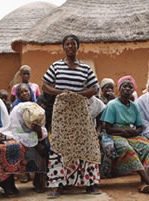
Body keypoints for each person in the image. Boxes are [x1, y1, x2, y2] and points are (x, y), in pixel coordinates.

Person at [42, 34, 102, 198]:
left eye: (73, 44)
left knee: (85, 144)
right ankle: (58, 186)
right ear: (63, 47)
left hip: (80, 111)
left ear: (78, 47)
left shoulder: (85, 68)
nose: (70, 47)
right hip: (61, 111)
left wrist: (78, 94)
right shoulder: (56, 66)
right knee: (60, 146)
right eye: (67, 44)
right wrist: (62, 93)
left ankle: (90, 184)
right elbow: (45, 85)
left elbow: (94, 88)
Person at [101, 76, 149, 195]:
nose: (128, 89)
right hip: (116, 135)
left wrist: (135, 132)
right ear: (119, 89)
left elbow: (139, 126)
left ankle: (144, 183)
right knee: (127, 149)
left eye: (130, 87)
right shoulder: (112, 105)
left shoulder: (134, 106)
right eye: (125, 86)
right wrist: (122, 131)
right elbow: (107, 128)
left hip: (132, 135)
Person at [10, 102, 48, 193]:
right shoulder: (16, 115)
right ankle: (12, 182)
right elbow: (16, 134)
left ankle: (39, 180)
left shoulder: (37, 112)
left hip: (35, 138)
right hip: (18, 139)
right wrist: (36, 144)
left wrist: (38, 131)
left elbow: (42, 133)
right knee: (22, 150)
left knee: (44, 150)